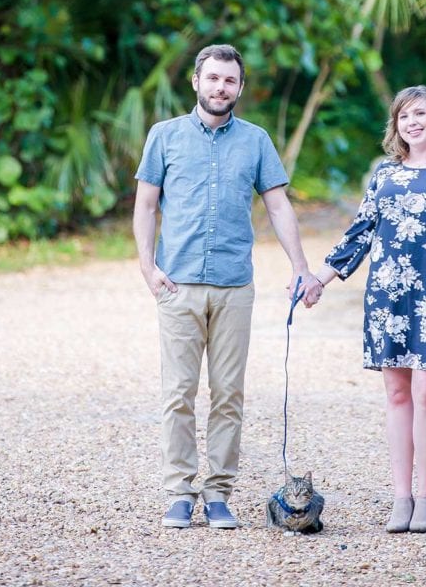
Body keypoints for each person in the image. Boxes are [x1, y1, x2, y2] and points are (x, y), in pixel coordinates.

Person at [133, 43, 322, 531]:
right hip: (178, 286)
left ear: (239, 86)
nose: (221, 87)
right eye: (213, 78)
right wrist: (147, 267)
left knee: (228, 394)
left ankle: (218, 494)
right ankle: (179, 492)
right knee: (177, 393)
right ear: (196, 81)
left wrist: (301, 267)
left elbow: (279, 207)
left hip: (235, 286)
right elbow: (146, 205)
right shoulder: (165, 136)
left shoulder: (256, 140)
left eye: (230, 80)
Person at [312, 85, 426, 534]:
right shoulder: (385, 177)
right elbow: (359, 234)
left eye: (421, 113)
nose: (413, 122)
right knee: (396, 395)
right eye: (404, 115)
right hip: (389, 298)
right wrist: (319, 280)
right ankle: (401, 497)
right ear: (396, 124)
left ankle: (425, 497)